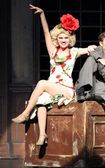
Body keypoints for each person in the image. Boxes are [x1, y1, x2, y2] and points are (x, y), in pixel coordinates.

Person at [11, 4, 97, 146]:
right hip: (52, 88)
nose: (63, 40)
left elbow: (88, 49)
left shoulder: (74, 52)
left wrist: (93, 48)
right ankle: (43, 134)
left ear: (70, 39)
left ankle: (25, 114)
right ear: (57, 39)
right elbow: (46, 33)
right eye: (61, 38)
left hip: (66, 90)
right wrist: (42, 14)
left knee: (42, 83)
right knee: (41, 101)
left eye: (66, 38)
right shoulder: (53, 51)